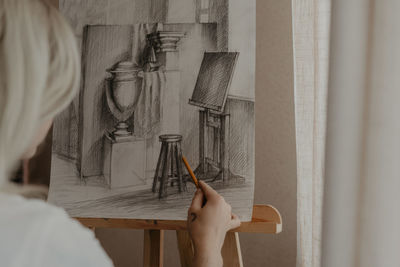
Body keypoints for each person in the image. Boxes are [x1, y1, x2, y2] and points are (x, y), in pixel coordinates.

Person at [0, 0, 240, 266]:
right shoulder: (43, 240)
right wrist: (208, 248)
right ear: (23, 103)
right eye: (54, 96)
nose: (55, 112)